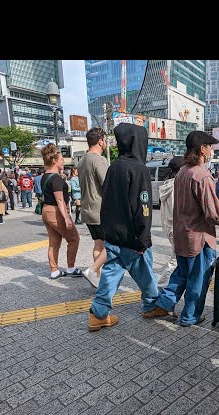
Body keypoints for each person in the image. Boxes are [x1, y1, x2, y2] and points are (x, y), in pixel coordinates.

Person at [148, 131, 219, 327]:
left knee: (181, 273)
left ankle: (164, 304)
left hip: (182, 234)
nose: (212, 150)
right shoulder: (201, 175)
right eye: (210, 146)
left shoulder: (182, 172)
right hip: (199, 237)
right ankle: (190, 316)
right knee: (199, 277)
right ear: (202, 149)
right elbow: (213, 213)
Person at [87, 123, 160, 331]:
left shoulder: (114, 167)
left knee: (111, 274)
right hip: (132, 237)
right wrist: (144, 238)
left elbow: (106, 202)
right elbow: (143, 207)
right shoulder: (139, 168)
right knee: (145, 272)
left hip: (113, 236)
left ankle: (98, 314)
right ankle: (152, 304)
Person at [40, 143, 82, 279]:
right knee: (74, 238)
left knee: (54, 242)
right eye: (61, 159)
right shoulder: (56, 178)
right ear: (54, 161)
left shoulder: (45, 176)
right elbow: (60, 200)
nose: (63, 161)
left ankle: (54, 270)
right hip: (56, 211)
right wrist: (67, 218)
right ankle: (71, 268)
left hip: (46, 210)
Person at [79, 127, 109, 288]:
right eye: (105, 140)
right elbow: (108, 185)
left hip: (87, 209)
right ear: (100, 141)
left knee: (98, 244)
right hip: (101, 210)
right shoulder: (99, 160)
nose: (106, 144)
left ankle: (97, 277)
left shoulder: (82, 160)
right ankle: (92, 270)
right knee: (112, 245)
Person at [157, 155, 185, 290]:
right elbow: (177, 210)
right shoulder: (175, 186)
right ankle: (160, 286)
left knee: (177, 259)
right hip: (176, 228)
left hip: (169, 227)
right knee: (175, 260)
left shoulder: (167, 184)